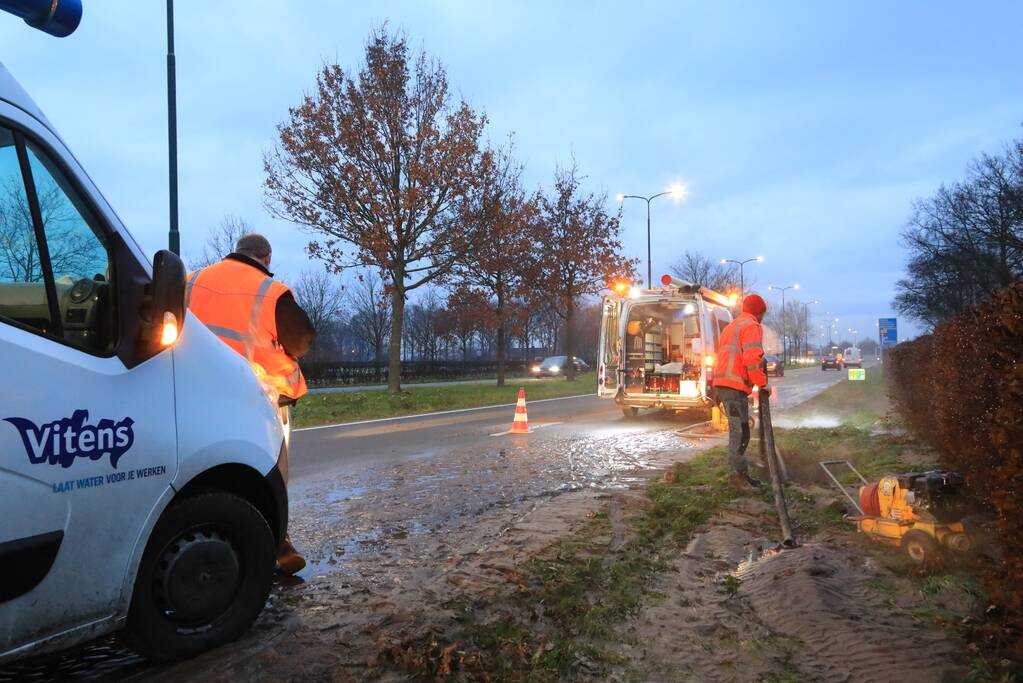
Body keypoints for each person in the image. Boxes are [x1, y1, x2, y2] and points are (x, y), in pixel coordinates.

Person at [185, 233, 314, 574]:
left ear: (237, 252)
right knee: (271, 468)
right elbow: (301, 340)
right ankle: (278, 542)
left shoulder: (191, 280)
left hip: (189, 389)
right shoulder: (271, 293)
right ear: (266, 259)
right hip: (252, 396)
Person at [713, 293, 769, 488]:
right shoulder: (751, 326)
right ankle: (737, 477)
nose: (762, 318)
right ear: (759, 312)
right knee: (740, 433)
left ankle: (739, 473)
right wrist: (763, 384)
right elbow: (753, 359)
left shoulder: (732, 326)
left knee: (740, 430)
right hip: (733, 387)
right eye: (763, 314)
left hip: (724, 385)